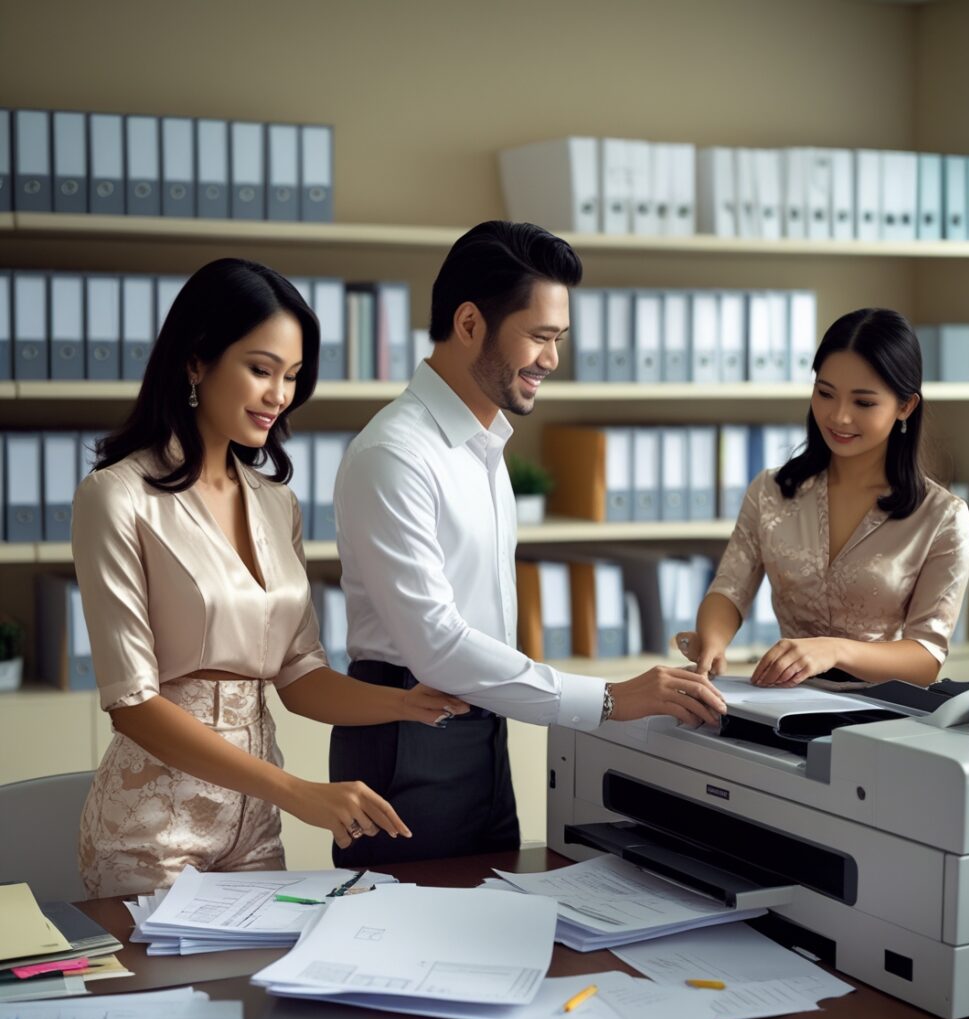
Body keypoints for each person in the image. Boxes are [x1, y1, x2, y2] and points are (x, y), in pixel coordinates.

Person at [330, 221, 728, 867]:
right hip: (409, 731)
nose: (551, 359)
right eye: (539, 337)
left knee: (486, 923)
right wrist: (608, 700)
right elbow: (436, 645)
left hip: (481, 725)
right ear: (469, 324)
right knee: (409, 936)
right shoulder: (395, 456)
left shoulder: (483, 447)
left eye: (558, 339)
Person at [71, 258, 470, 899]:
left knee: (262, 994)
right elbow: (133, 706)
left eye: (290, 376)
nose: (279, 395)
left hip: (253, 827)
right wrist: (298, 792)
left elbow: (299, 676)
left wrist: (404, 704)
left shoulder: (275, 502)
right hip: (150, 832)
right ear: (196, 361)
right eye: (260, 369)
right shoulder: (115, 497)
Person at [678, 307, 969, 689]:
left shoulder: (942, 517)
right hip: (779, 701)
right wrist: (713, 641)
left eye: (863, 403)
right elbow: (729, 590)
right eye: (825, 393)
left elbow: (926, 656)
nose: (839, 417)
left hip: (877, 716)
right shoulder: (770, 492)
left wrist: (833, 650)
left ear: (905, 406)